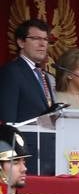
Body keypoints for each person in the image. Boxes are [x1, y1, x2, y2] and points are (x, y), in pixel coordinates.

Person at [0, 21, 59, 175]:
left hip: (49, 153)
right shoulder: (12, 72)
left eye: (46, 40)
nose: (42, 44)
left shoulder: (43, 74)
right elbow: (8, 121)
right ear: (21, 42)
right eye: (35, 39)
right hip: (24, 156)